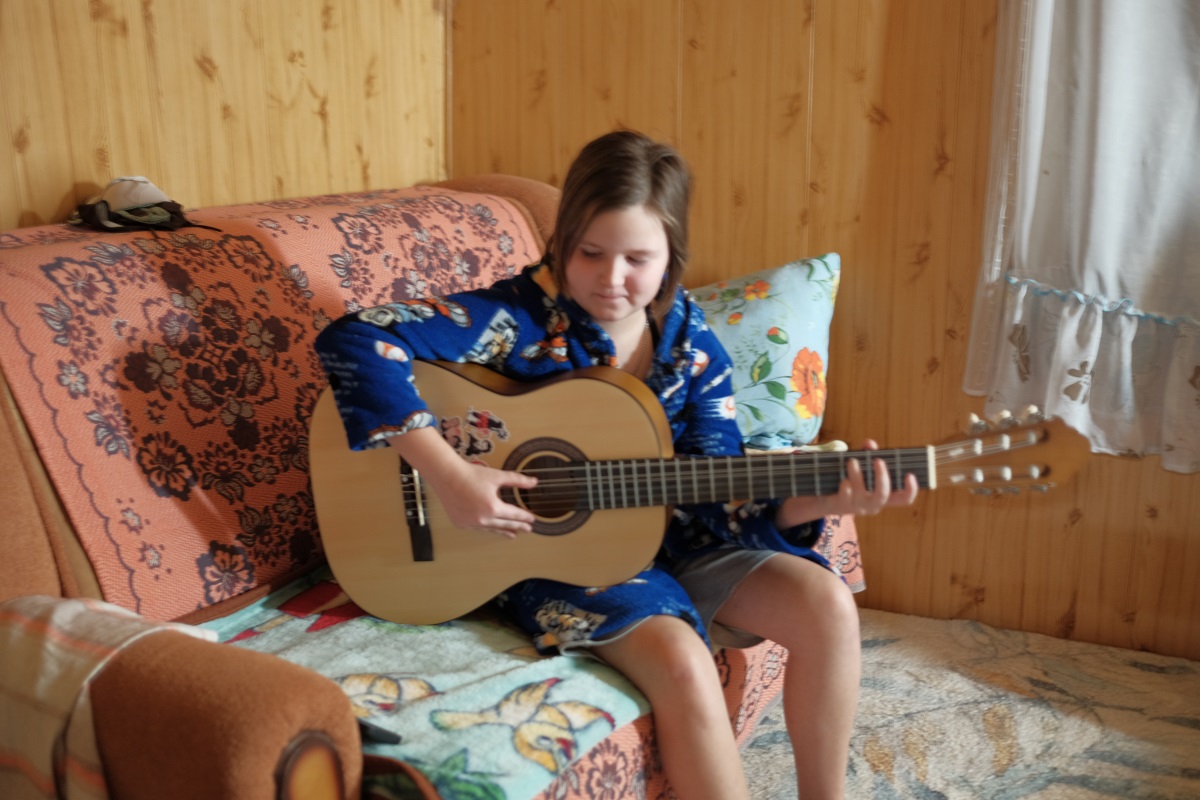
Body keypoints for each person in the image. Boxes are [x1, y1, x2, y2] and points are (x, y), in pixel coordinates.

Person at [315, 130, 918, 800]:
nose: (611, 278)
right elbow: (355, 339)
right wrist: (451, 476)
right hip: (556, 557)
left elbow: (720, 498)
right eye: (590, 253)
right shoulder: (516, 315)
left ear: (672, 256)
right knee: (683, 660)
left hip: (680, 540)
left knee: (827, 604)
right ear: (563, 242)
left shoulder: (691, 346)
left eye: (638, 258)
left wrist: (825, 500)